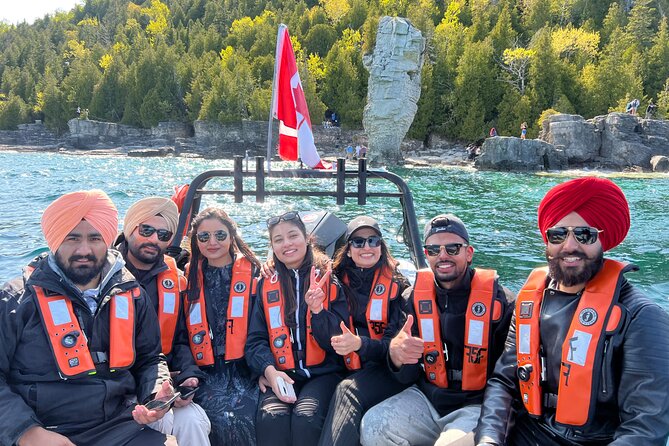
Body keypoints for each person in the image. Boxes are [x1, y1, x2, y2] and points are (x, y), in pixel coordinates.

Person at [475, 177, 669, 446]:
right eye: (558, 234)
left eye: (584, 235)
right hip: (526, 432)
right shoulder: (530, 302)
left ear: (604, 240)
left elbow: (644, 428)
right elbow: (505, 383)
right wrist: (488, 440)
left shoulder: (642, 316)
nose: (569, 246)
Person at [0, 190, 176, 446]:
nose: (84, 250)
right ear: (56, 239)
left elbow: (150, 357)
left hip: (118, 427)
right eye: (72, 238)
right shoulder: (16, 300)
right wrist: (27, 432)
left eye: (95, 238)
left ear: (107, 240)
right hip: (42, 429)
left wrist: (155, 393)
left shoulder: (132, 294)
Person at [360, 214, 515, 446]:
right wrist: (397, 356)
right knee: (373, 427)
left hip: (476, 404)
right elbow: (405, 374)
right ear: (427, 255)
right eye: (434, 250)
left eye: (453, 248)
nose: (443, 256)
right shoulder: (410, 299)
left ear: (468, 253)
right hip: (427, 396)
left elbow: (509, 377)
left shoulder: (502, 303)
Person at [245, 211, 348, 446]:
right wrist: (268, 370)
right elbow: (255, 340)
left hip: (322, 372)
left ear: (306, 238)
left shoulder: (328, 281)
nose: (287, 244)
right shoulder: (264, 283)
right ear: (272, 246)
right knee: (271, 417)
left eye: (293, 235)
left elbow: (338, 340)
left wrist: (318, 311)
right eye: (278, 239)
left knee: (306, 418)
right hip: (281, 372)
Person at [116, 197, 211, 445]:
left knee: (193, 420)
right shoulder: (102, 276)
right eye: (146, 230)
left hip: (161, 379)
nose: (154, 239)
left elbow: (179, 338)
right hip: (117, 385)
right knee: (161, 423)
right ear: (130, 228)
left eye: (163, 234)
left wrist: (188, 377)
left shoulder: (173, 279)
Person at [317, 216, 411, 446]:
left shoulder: (399, 286)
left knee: (347, 391)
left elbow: (393, 349)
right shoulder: (335, 279)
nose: (366, 247)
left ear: (381, 246)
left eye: (373, 241)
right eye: (358, 242)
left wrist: (360, 344)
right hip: (342, 364)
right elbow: (300, 259)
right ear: (348, 250)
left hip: (384, 368)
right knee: (307, 413)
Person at [184, 207, 262, 445]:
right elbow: (179, 334)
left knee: (244, 413)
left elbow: (265, 329)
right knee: (217, 416)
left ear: (231, 236)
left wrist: (264, 369)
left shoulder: (255, 274)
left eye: (220, 235)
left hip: (246, 366)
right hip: (205, 370)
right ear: (196, 241)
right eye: (204, 237)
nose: (212, 242)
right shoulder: (187, 279)